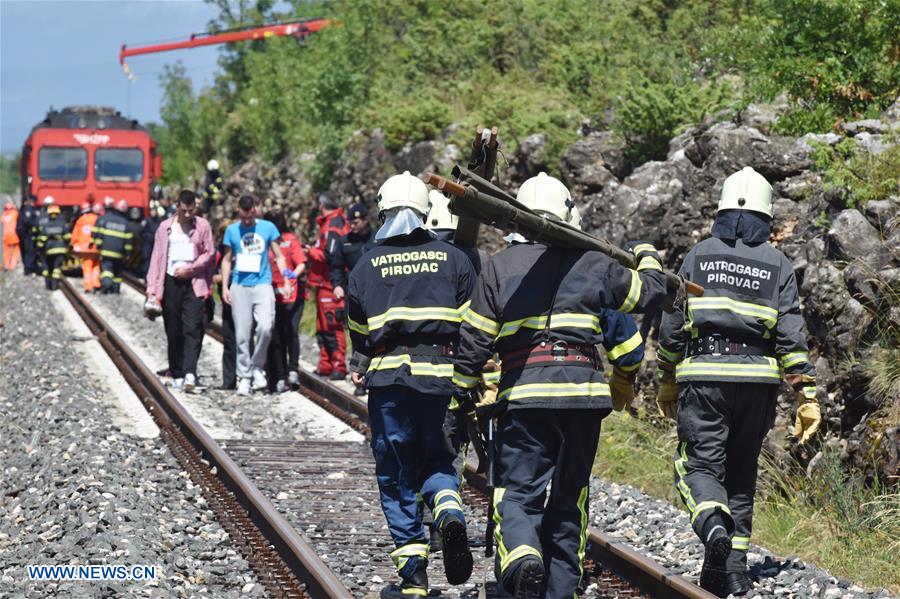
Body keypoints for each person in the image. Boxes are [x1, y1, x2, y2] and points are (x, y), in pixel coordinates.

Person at [452, 172, 668, 598]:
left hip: (525, 401)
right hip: (583, 401)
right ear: (568, 216)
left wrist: (459, 392)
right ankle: (560, 591)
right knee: (570, 503)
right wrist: (646, 255)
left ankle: (524, 558)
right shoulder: (594, 263)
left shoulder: (499, 268)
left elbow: (473, 341)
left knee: (517, 496)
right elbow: (651, 294)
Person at [655, 167, 820, 597]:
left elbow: (674, 319)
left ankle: (713, 530)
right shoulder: (778, 263)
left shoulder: (698, 255)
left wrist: (666, 375)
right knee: (742, 474)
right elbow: (790, 330)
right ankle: (734, 571)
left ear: (722, 210)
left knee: (699, 467)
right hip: (758, 381)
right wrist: (805, 392)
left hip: (706, 376)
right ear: (766, 215)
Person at [346, 171, 476, 599]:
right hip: (443, 376)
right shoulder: (454, 259)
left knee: (397, 473)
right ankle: (450, 512)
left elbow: (360, 335)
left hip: (390, 384)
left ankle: (414, 578)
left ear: (383, 211)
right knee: (440, 460)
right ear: (425, 210)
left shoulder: (366, 263)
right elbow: (475, 326)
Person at [146, 190, 215, 392]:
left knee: (192, 328)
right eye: (184, 211)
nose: (187, 215)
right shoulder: (164, 228)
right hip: (170, 282)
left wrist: (191, 268)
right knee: (173, 329)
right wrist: (152, 290)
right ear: (177, 207)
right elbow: (157, 259)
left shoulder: (202, 226)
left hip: (194, 282)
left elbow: (209, 253)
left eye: (191, 210)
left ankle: (190, 373)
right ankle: (177, 372)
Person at [220, 194, 287, 396]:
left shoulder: (267, 228)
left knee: (266, 327)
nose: (247, 221)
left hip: (262, 284)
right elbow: (226, 260)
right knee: (241, 335)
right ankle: (245, 377)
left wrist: (285, 279)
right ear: (238, 212)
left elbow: (279, 256)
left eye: (250, 216)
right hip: (240, 285)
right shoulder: (232, 231)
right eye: (243, 217)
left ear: (255, 210)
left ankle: (257, 366)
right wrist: (225, 286)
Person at [307, 192, 349, 379]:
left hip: (330, 284)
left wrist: (311, 252)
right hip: (322, 283)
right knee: (322, 326)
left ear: (322, 205)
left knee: (333, 325)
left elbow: (329, 256)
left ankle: (339, 365)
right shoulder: (328, 223)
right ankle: (326, 363)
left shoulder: (333, 225)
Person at [264, 210, 307, 392]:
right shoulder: (264, 242)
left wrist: (292, 276)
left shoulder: (290, 240)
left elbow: (301, 263)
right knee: (276, 335)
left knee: (291, 331)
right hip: (272, 294)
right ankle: (280, 375)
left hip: (292, 294)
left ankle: (293, 370)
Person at [93, 199, 135, 294]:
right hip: (119, 254)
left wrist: (98, 246)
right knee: (117, 272)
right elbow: (128, 242)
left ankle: (106, 286)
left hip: (106, 252)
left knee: (106, 270)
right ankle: (116, 290)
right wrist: (128, 254)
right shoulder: (126, 224)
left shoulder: (107, 220)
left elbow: (100, 235)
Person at [35, 200, 70, 291]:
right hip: (61, 250)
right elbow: (68, 237)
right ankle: (55, 285)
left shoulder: (46, 226)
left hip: (49, 250)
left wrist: (39, 249)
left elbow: (41, 240)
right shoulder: (63, 224)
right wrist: (67, 246)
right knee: (57, 268)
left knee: (47, 268)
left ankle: (48, 284)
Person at [70, 202, 102, 292]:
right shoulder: (98, 219)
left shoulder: (81, 220)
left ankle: (88, 286)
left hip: (85, 248)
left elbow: (75, 235)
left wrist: (73, 244)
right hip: (96, 248)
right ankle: (96, 284)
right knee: (96, 265)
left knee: (87, 266)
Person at [16, 195, 39, 276]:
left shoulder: (24, 208)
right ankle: (29, 270)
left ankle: (28, 268)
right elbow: (28, 221)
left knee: (27, 252)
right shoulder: (28, 209)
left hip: (24, 234)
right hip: (27, 235)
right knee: (29, 252)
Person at [2, 201, 20, 270]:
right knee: (16, 249)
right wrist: (15, 208)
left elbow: (3, 220)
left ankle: (7, 265)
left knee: (6, 251)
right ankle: (13, 264)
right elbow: (17, 214)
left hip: (6, 236)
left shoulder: (3, 216)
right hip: (14, 236)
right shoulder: (15, 214)